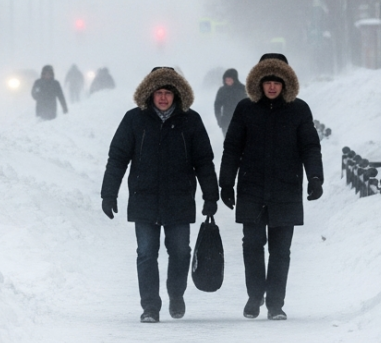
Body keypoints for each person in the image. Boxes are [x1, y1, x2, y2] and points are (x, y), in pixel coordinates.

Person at [100, 66, 219, 323]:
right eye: (158, 92)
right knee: (146, 254)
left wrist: (211, 196)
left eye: (168, 92)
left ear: (177, 94)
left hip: (179, 198)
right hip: (144, 198)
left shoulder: (191, 120)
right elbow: (118, 158)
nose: (163, 97)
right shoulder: (134, 119)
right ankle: (150, 307)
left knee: (180, 252)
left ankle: (176, 294)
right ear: (150, 93)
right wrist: (109, 193)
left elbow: (204, 162)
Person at [218, 53, 324, 320]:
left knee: (280, 250)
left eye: (278, 81)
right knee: (252, 245)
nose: (273, 87)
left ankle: (275, 303)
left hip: (286, 188)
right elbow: (232, 148)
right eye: (268, 81)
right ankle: (255, 296)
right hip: (251, 188)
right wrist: (226, 183)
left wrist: (315, 178)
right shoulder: (246, 108)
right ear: (259, 82)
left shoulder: (299, 110)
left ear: (286, 82)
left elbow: (310, 147)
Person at [213, 68, 246, 133]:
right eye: (226, 80)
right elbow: (217, 106)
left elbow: (249, 105)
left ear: (235, 79)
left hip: (241, 121)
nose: (228, 81)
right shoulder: (222, 91)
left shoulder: (242, 89)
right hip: (226, 122)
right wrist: (219, 119)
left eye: (229, 80)